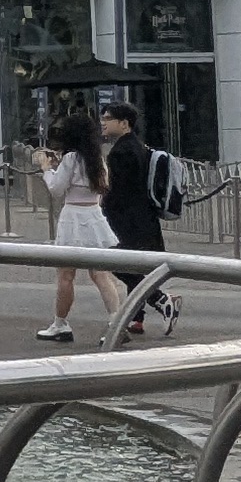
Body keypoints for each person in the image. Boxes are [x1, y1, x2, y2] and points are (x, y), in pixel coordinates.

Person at [99, 101, 181, 334]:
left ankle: (162, 300)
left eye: (108, 119)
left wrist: (104, 205)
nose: (103, 123)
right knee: (133, 264)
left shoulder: (121, 152)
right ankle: (136, 317)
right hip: (144, 218)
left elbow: (119, 191)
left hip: (128, 220)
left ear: (124, 123)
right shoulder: (138, 146)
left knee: (117, 263)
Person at [33, 112, 114, 340]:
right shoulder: (98, 158)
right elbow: (102, 187)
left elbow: (56, 189)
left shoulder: (71, 159)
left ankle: (60, 323)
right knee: (100, 274)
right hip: (94, 215)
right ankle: (116, 320)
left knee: (66, 275)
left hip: (73, 217)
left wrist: (47, 169)